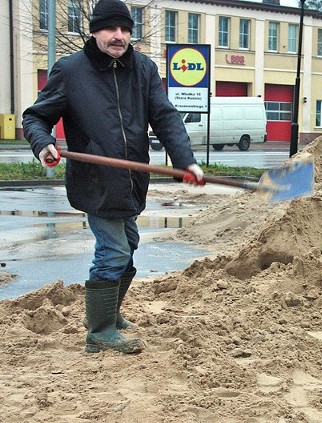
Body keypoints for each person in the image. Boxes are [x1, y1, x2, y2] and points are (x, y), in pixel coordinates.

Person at [22, 0, 205, 354]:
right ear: (95, 31)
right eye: (110, 29)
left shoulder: (144, 69)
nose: (118, 36)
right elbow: (35, 117)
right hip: (96, 181)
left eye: (124, 29)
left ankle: (111, 313)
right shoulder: (71, 71)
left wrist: (186, 161)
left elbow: (166, 118)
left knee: (128, 245)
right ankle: (100, 331)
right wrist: (44, 143)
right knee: (114, 250)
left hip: (133, 181)